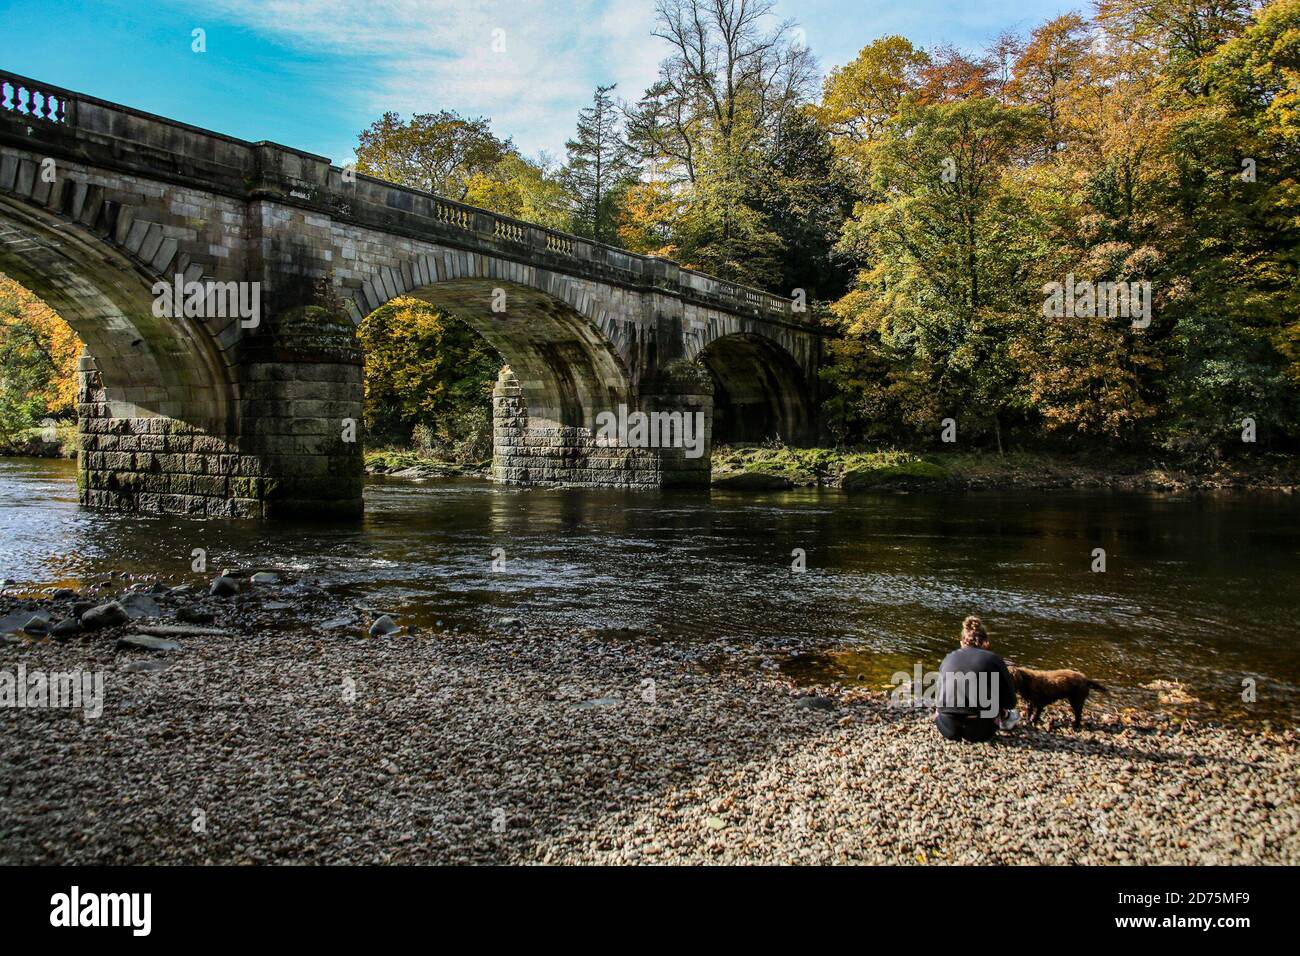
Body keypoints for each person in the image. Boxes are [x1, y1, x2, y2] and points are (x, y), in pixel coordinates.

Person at [934, 616, 1018, 743]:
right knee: (1006, 710)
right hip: (981, 732)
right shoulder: (994, 659)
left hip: (948, 729)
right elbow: (1010, 702)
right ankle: (1005, 722)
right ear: (986, 642)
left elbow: (939, 696)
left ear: (962, 641)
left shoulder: (948, 658)